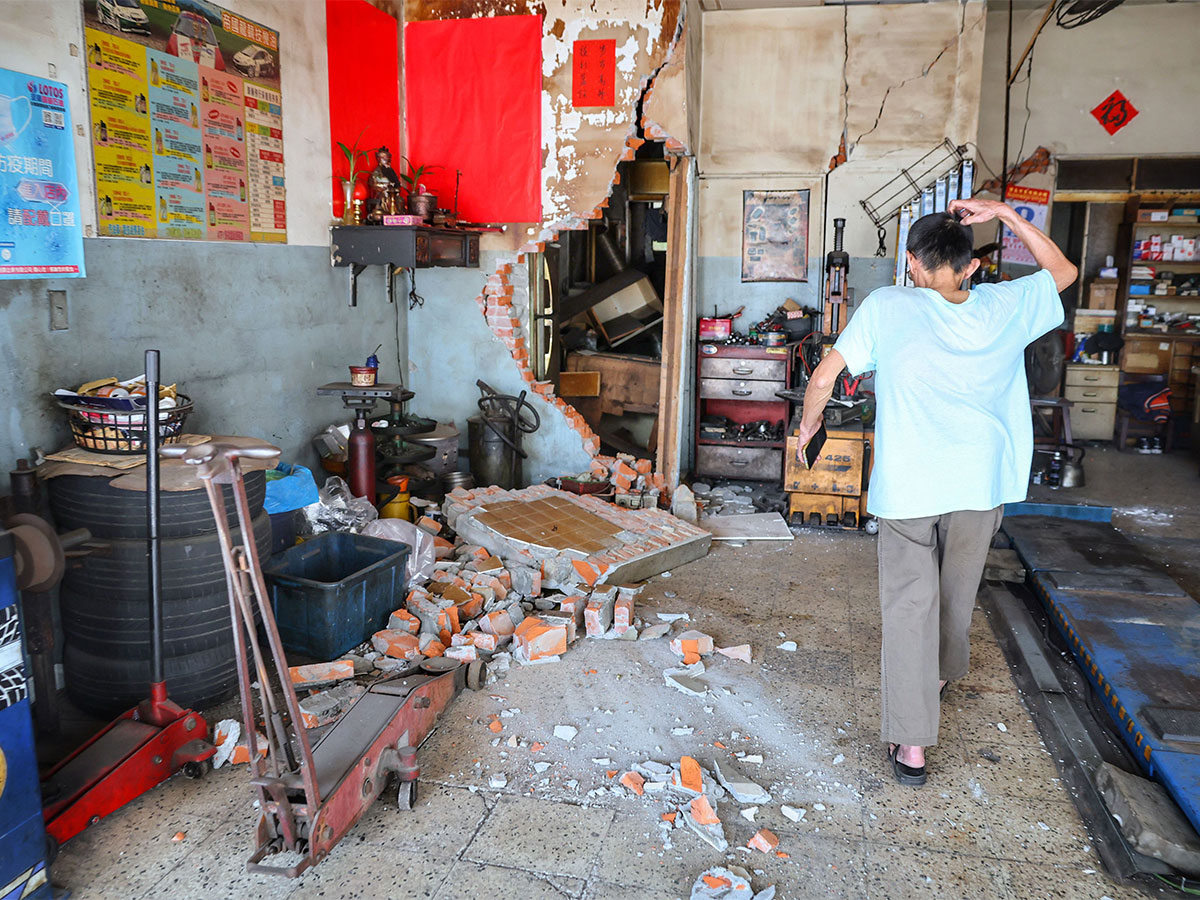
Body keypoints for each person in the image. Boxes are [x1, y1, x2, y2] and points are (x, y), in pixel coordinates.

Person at [794, 197, 1077, 786]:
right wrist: (1005, 214)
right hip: (980, 480)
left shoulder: (889, 304)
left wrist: (809, 428)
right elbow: (1064, 272)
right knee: (955, 592)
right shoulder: (1006, 304)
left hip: (910, 486)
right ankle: (940, 678)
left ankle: (914, 743)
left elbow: (825, 376)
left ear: (912, 263)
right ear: (970, 267)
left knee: (908, 605)